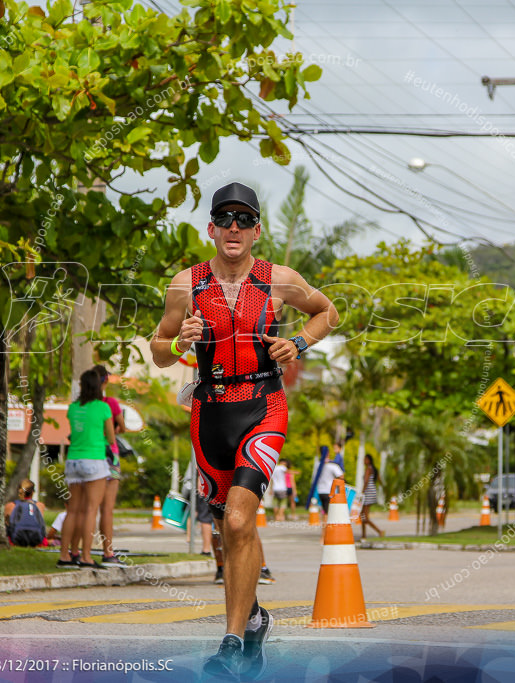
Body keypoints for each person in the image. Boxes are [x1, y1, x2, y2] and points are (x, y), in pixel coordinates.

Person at [150, 181, 338, 679]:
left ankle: (231, 641)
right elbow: (158, 347)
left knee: (237, 520)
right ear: (210, 228)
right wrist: (179, 342)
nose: (234, 228)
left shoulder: (280, 280)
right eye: (225, 219)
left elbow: (328, 313)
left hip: (263, 407)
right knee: (230, 527)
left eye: (244, 220)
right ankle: (253, 619)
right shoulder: (185, 284)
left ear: (257, 230)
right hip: (209, 412)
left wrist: (298, 342)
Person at [58, 369, 115, 569]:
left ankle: (64, 555)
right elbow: (111, 438)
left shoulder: (72, 408)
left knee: (73, 510)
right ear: (99, 385)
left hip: (73, 460)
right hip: (95, 461)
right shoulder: (102, 407)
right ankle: (86, 557)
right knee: (91, 510)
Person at [93, 364, 126, 566]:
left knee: (86, 508)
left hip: (88, 455)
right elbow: (121, 427)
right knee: (107, 509)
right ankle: (108, 552)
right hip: (109, 456)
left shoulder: (82, 404)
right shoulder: (110, 403)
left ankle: (81, 552)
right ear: (105, 380)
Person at [5, 479, 48, 547]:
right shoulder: (40, 505)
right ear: (33, 492)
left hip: (16, 539)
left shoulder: (10, 505)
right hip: (36, 539)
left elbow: (6, 524)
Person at [360, 453, 384, 540]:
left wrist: (362, 492)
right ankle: (363, 535)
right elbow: (379, 480)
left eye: (365, 459)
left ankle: (379, 531)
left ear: (369, 460)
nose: (364, 461)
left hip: (368, 493)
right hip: (372, 492)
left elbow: (366, 481)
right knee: (362, 515)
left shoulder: (368, 469)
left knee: (364, 516)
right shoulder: (373, 469)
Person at [316, 446, 345, 515]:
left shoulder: (317, 465)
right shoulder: (332, 465)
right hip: (330, 491)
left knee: (325, 512)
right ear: (328, 453)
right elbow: (341, 476)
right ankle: (326, 525)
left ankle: (324, 524)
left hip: (320, 491)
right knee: (330, 513)